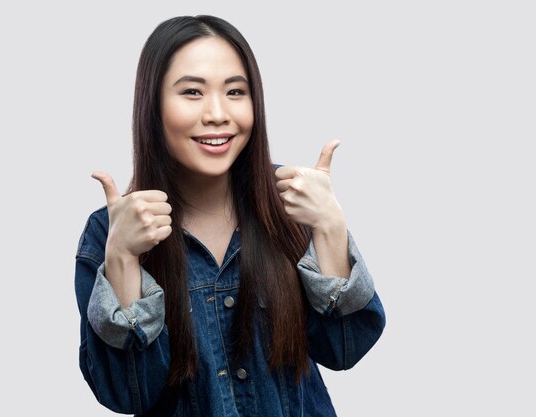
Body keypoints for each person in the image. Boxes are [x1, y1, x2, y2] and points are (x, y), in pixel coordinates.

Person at [74, 15, 385, 417]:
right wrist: (121, 257)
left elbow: (346, 348)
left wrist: (329, 227)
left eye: (235, 92)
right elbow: (126, 394)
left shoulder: (293, 202)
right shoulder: (108, 232)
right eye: (192, 92)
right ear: (153, 105)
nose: (218, 113)